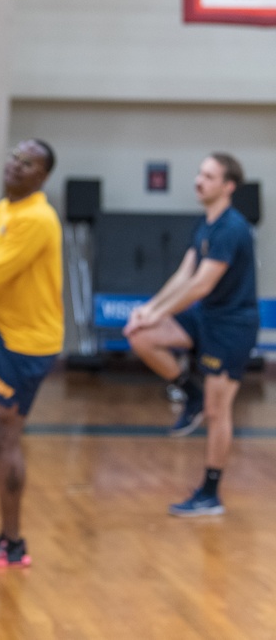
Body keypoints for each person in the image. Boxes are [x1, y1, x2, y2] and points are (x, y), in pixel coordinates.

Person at [124, 153, 258, 517]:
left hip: (231, 327)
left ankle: (210, 492)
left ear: (228, 186)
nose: (200, 180)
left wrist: (160, 311)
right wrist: (149, 310)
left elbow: (202, 284)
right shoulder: (205, 223)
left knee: (218, 412)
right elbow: (184, 275)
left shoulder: (232, 228)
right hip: (205, 317)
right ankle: (190, 391)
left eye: (209, 176)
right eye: (200, 173)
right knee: (141, 334)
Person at [0, 139, 63, 569]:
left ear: (42, 176)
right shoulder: (5, 209)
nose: (16, 166)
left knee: (6, 437)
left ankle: (12, 542)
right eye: (15, 157)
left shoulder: (38, 219)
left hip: (27, 343)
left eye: (28, 163)